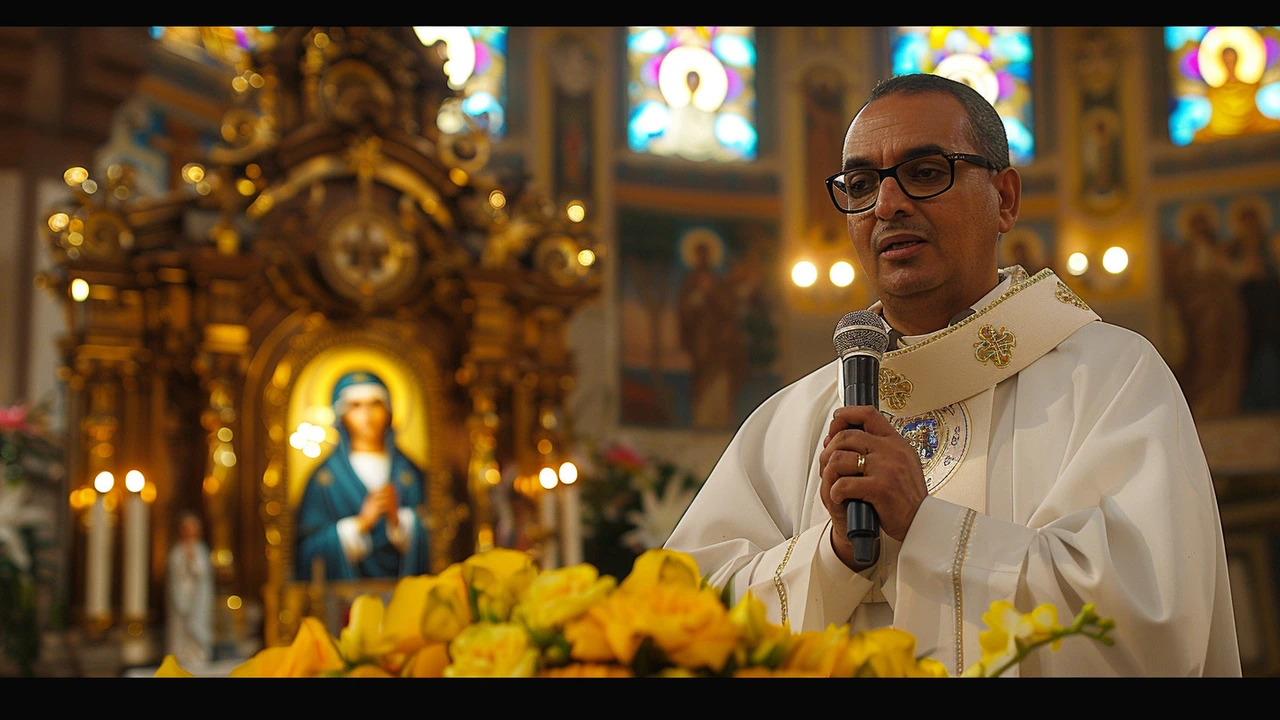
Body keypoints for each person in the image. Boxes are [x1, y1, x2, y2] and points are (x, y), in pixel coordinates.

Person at [666, 73, 1241, 677]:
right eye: (861, 185)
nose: (888, 204)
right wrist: (835, 556)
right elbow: (682, 620)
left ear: (1006, 199)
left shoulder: (1112, 377)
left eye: (925, 172)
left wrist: (926, 527)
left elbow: (1152, 619)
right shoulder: (792, 419)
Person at [295, 371, 430, 581]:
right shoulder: (324, 479)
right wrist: (360, 524)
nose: (367, 415)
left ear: (388, 411)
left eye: (375, 404)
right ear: (341, 415)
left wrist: (402, 522)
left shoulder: (410, 473)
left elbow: (439, 535)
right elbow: (306, 549)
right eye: (356, 406)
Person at [166, 512, 214, 667]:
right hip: (181, 597)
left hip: (197, 598)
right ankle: (181, 656)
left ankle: (198, 655)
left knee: (197, 625)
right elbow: (175, 573)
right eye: (187, 529)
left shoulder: (201, 550)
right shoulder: (177, 551)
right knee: (180, 630)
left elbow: (202, 572)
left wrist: (193, 561)